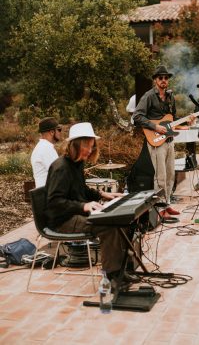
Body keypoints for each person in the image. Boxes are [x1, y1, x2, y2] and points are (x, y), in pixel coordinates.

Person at [45, 122, 137, 287]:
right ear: (76, 144)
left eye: (92, 146)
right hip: (62, 220)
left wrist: (103, 194)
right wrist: (83, 207)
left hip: (75, 214)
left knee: (122, 220)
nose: (90, 150)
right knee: (108, 226)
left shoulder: (76, 163)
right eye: (87, 146)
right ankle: (112, 276)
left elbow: (83, 189)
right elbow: (54, 202)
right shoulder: (61, 167)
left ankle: (122, 270)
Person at [133, 65, 180, 216]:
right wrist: (155, 127)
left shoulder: (171, 97)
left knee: (170, 174)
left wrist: (187, 122)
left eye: (166, 78)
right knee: (159, 176)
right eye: (161, 78)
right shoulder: (148, 96)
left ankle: (166, 204)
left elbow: (173, 118)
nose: (164, 80)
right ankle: (159, 209)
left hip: (169, 140)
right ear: (155, 80)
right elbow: (137, 116)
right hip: (155, 141)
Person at [31, 117, 62, 187]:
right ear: (52, 132)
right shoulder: (46, 148)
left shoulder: (42, 146)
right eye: (59, 130)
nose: (60, 132)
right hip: (48, 195)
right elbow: (59, 173)